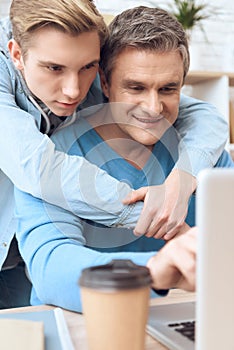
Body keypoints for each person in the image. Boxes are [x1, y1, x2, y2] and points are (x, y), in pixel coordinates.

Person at [0, 0, 228, 308]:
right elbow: (51, 268)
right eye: (135, 87)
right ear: (105, 84)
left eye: (167, 89)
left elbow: (206, 117)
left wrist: (184, 178)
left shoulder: (199, 153)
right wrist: (156, 251)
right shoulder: (53, 157)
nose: (72, 91)